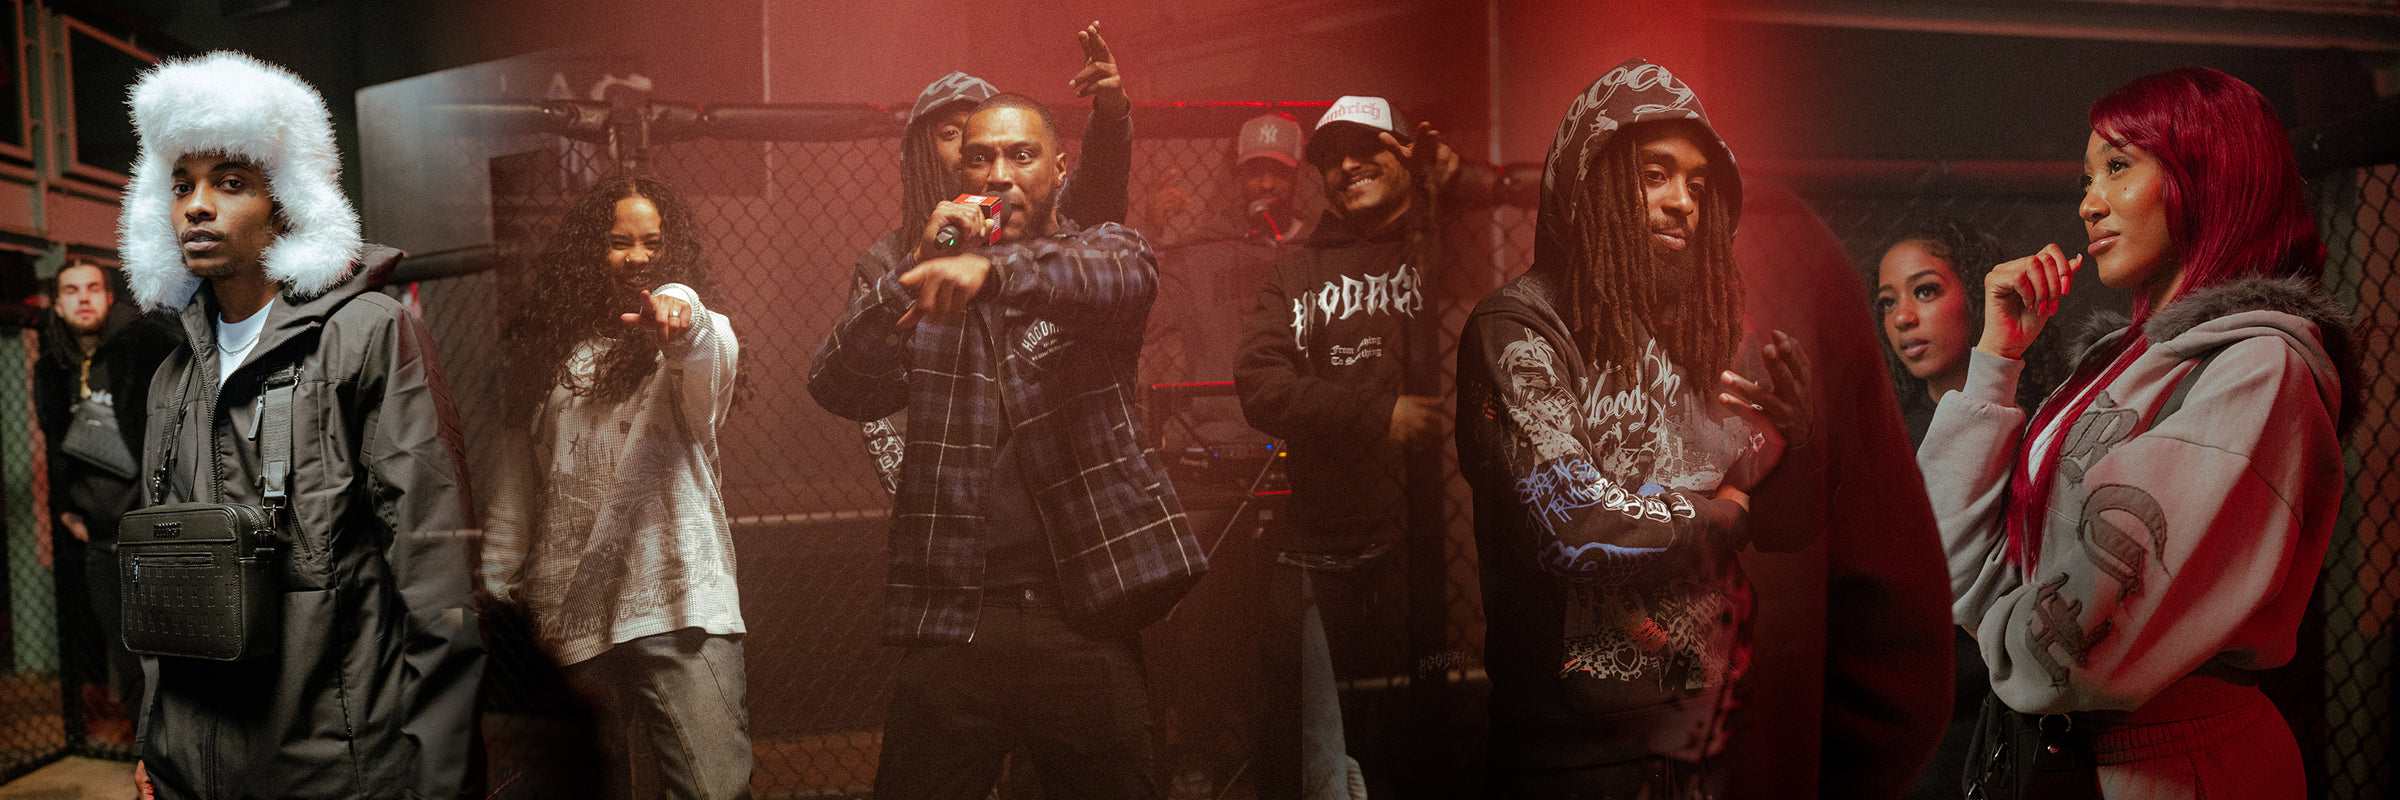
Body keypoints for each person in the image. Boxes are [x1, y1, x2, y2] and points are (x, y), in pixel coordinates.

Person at [1921, 67, 2358, 799]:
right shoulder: (2109, 362)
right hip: (2062, 757)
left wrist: (2010, 638)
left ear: (2209, 174)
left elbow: (2074, 660)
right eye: (2087, 178)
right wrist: (1996, 360)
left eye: (2118, 167)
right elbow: (1946, 566)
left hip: (2171, 764)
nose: (2089, 203)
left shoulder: (2260, 367)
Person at [807, 93, 1206, 800]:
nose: (999, 174)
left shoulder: (1100, 250)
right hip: (957, 616)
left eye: (1021, 155)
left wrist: (993, 271)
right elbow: (838, 385)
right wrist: (917, 267)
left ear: (1059, 167)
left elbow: (1122, 275)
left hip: (1081, 614)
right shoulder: (930, 278)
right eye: (980, 158)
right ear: (959, 173)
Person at [117, 51, 481, 799]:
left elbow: (434, 568)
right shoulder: (171, 377)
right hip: (194, 769)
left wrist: (440, 777)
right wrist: (157, 741)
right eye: (182, 184)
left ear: (284, 203)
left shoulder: (367, 334)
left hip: (334, 769)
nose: (197, 206)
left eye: (230, 182)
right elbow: (163, 581)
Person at [1454, 58, 1813, 798]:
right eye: (1655, 175)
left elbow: (1785, 526)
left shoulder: (1713, 332)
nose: (1683, 201)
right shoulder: (1519, 328)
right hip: (1577, 754)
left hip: (1712, 728)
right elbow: (1575, 524)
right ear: (1592, 182)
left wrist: (1802, 449)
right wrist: (1722, 515)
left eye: (1698, 184)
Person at [485, 174, 749, 799]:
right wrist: (498, 604)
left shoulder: (692, 342)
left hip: (678, 601)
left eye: (654, 242)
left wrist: (683, 316)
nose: (637, 257)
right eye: (619, 242)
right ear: (588, 252)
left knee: (713, 790)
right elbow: (516, 495)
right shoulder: (547, 355)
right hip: (568, 610)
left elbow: (707, 346)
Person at [1232, 96, 1456, 799]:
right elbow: (1260, 383)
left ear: (1405, 154)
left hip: (1437, 554)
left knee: (1432, 735)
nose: (1347, 166)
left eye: (1366, 149)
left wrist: (1449, 202)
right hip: (1322, 546)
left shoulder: (1449, 247)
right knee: (1316, 742)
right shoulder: (1298, 272)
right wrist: (1377, 414)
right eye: (1330, 159)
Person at [849, 21, 1134, 497]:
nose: (978, 154)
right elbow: (867, 399)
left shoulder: (1044, 232)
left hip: (1059, 488)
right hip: (949, 498)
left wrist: (1110, 114)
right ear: (922, 151)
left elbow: (1095, 203)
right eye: (951, 134)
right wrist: (925, 505)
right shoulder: (889, 261)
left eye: (1008, 146)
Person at [32, 260, 177, 736]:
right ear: (58, 304)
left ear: (109, 297)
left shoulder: (147, 348)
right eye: (71, 290)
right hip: (99, 539)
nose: (83, 298)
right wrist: (65, 510)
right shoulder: (52, 368)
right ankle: (148, 756)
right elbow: (55, 448)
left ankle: (184, 755)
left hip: (154, 529)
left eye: (93, 287)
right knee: (126, 654)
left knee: (174, 647)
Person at [1873, 219, 2065, 445]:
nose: (1901, 318)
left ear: (1977, 295)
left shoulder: (2054, 414)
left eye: (1925, 291)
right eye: (1888, 302)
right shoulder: (1889, 441)